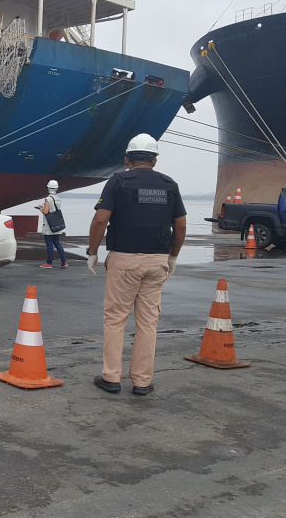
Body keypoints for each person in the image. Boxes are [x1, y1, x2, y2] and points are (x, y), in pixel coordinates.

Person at [87, 133, 186, 397]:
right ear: (154, 160)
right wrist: (173, 256)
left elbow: (100, 221)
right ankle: (142, 382)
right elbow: (181, 225)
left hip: (124, 260)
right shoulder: (169, 184)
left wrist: (92, 251)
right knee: (148, 322)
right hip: (157, 262)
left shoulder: (118, 181)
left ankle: (111, 378)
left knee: (116, 318)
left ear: (127, 159)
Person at [36, 179, 67, 269]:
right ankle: (64, 261)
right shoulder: (58, 199)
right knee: (57, 243)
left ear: (48, 188)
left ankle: (49, 263)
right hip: (57, 225)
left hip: (49, 226)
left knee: (49, 244)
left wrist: (40, 208)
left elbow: (46, 212)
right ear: (57, 188)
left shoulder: (48, 199)